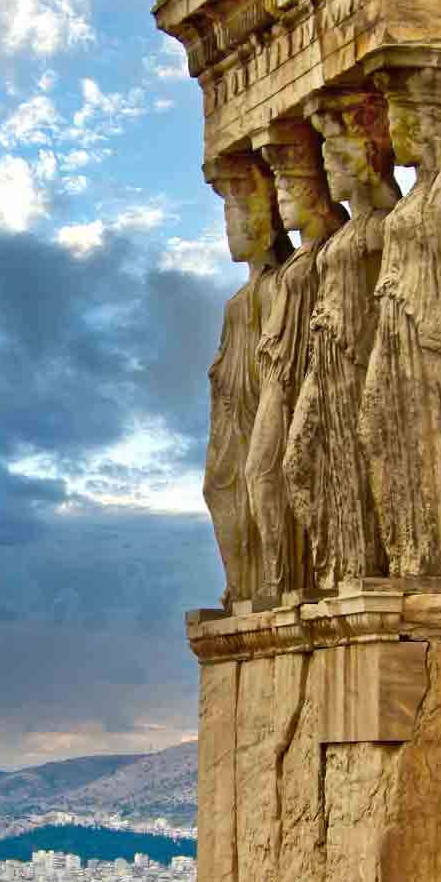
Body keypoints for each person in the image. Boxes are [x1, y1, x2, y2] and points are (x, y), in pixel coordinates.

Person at [359, 65, 441, 576]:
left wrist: (439, 328)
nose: (394, 133)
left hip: (428, 331)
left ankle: (436, 560)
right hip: (396, 328)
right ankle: (405, 554)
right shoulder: (416, 195)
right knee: (378, 430)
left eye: (401, 121)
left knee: (429, 442)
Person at [282, 91, 398, 586]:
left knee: (354, 458)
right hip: (324, 356)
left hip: (357, 354)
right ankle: (333, 564)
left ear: (367, 158)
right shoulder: (346, 233)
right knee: (298, 462)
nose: (330, 169)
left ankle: (362, 565)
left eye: (338, 157)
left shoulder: (385, 225)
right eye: (326, 158)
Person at [246, 122, 347, 602]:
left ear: (311, 193)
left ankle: (310, 572)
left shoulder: (327, 250)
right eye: (279, 191)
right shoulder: (293, 262)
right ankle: (283, 576)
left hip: (305, 372)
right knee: (263, 471)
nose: (282, 202)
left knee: (286, 467)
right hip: (278, 374)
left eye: (288, 191)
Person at [202, 153, 291, 608]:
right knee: (218, 488)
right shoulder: (236, 300)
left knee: (263, 478)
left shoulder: (279, 284)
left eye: (236, 219)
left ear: (264, 222)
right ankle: (243, 584)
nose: (229, 231)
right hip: (232, 408)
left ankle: (276, 577)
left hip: (265, 395)